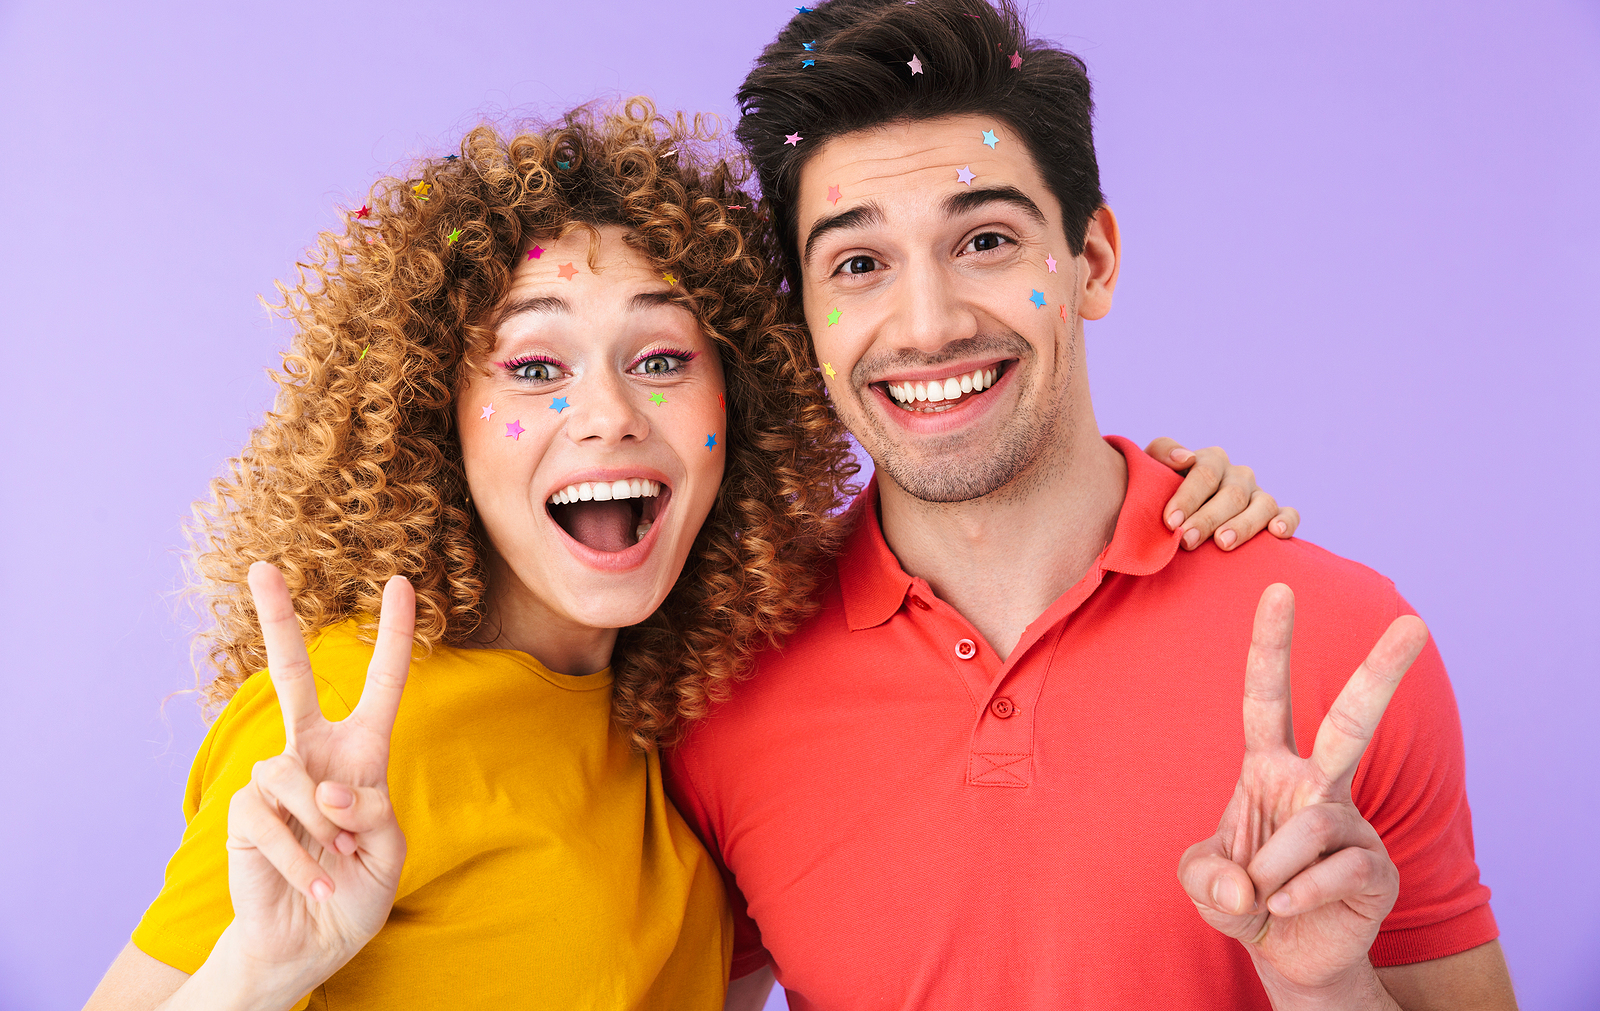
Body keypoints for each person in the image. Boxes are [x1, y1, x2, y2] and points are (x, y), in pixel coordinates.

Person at [83, 101, 1284, 1010]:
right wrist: (254, 970)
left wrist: (1159, 494)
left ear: (740, 402)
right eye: (535, 368)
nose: (607, 414)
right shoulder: (356, 713)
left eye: (660, 359)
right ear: (429, 422)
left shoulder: (699, 711)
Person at [665, 0, 1519, 1011]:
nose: (927, 324)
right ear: (805, 321)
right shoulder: (723, 685)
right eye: (858, 262)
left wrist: (1328, 988)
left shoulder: (1342, 647)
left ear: (1093, 262)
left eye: (984, 241)